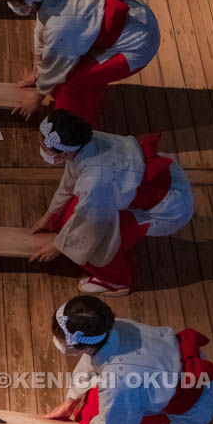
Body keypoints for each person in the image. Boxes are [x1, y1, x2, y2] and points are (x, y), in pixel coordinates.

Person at [43, 296, 213, 424]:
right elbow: (91, 360)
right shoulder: (110, 327)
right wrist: (69, 402)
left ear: (80, 345)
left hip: (194, 405)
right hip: (167, 372)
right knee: (93, 411)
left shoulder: (119, 381)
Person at [28, 109, 193, 296]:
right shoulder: (87, 142)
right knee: (72, 220)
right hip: (143, 181)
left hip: (165, 206)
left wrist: (59, 246)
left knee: (96, 242)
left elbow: (91, 226)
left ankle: (116, 281)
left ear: (63, 153)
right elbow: (71, 179)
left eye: (43, 145)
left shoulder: (95, 179)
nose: (40, 147)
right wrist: (51, 214)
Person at [1, 0, 160, 126]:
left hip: (138, 43)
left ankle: (73, 127)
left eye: (15, 3)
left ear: (30, 1)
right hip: (135, 15)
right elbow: (42, 29)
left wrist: (36, 97)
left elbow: (56, 69)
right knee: (59, 77)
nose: (13, 6)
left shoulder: (61, 26)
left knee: (70, 83)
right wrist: (36, 70)